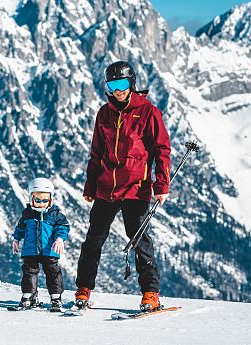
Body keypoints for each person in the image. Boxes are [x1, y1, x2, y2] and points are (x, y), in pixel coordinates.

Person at [74, 61, 172, 312]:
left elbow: (161, 150)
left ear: (132, 84)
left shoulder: (149, 112)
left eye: (122, 84)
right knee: (93, 240)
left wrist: (161, 184)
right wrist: (90, 185)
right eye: (112, 85)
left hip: (136, 188)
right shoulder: (104, 114)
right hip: (106, 188)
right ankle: (83, 288)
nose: (117, 90)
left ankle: (150, 293)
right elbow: (96, 152)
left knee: (139, 241)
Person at [12, 178, 70, 312]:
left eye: (45, 199)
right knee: (29, 272)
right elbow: (20, 228)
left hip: (49, 250)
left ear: (51, 199)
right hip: (30, 250)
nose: (41, 203)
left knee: (53, 272)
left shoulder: (55, 215)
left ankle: (56, 297)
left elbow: (63, 227)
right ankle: (28, 295)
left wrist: (60, 239)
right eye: (37, 199)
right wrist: (16, 239)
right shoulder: (27, 215)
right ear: (31, 198)